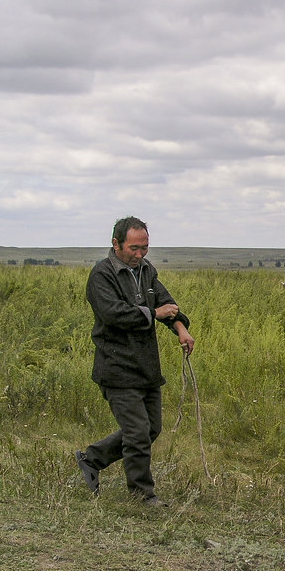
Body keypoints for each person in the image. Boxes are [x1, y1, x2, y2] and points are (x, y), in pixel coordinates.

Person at [75, 216, 194, 505]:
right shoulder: (102, 275)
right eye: (134, 248)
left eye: (145, 248)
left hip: (146, 366)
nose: (140, 254)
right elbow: (114, 314)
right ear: (116, 244)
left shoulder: (146, 271)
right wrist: (153, 314)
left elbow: (166, 303)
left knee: (151, 428)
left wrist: (181, 329)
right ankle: (142, 495)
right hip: (115, 365)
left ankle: (91, 459)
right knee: (137, 432)